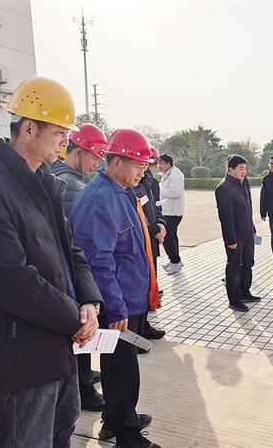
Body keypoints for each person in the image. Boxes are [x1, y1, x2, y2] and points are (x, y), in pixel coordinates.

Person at [0, 76, 103, 448]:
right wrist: (74, 319)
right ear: (29, 129)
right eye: (60, 132)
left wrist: (89, 302)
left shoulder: (43, 181)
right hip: (23, 353)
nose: (66, 142)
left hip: (58, 343)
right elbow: (9, 280)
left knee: (62, 429)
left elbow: (71, 250)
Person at [70, 128, 161, 448]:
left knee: (119, 364)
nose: (143, 172)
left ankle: (116, 419)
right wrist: (117, 307)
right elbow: (97, 262)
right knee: (122, 370)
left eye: (145, 167)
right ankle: (127, 435)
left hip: (129, 299)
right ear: (117, 161)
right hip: (116, 304)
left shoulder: (121, 192)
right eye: (138, 166)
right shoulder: (99, 200)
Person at [52, 122, 107, 412]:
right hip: (73, 275)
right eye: (94, 157)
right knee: (81, 332)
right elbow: (75, 241)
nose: (96, 164)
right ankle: (84, 389)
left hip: (68, 274)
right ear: (79, 152)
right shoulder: (71, 186)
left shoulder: (59, 175)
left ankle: (83, 379)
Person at [215, 155, 261, 312]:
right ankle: (234, 300)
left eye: (245, 169)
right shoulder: (224, 188)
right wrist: (230, 239)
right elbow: (225, 217)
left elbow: (248, 209)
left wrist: (252, 228)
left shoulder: (243, 183)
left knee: (248, 263)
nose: (244, 172)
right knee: (234, 267)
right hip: (235, 237)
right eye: (241, 169)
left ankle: (245, 292)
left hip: (247, 233)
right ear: (230, 169)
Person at [134, 147, 167, 342]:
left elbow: (156, 207)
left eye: (153, 163)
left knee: (149, 282)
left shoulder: (150, 183)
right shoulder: (135, 184)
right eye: (149, 163)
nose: (151, 167)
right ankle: (139, 329)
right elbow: (140, 216)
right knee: (142, 284)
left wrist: (161, 224)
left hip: (152, 239)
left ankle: (144, 325)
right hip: (144, 239)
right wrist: (154, 229)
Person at [158, 154, 185, 274]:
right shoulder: (168, 174)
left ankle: (175, 261)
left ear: (168, 164)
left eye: (161, 163)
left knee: (167, 237)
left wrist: (159, 191)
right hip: (169, 210)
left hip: (172, 212)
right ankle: (175, 260)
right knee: (172, 236)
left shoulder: (175, 175)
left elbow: (176, 192)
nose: (159, 166)